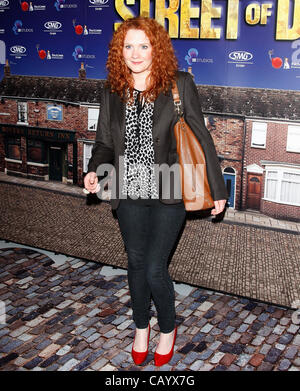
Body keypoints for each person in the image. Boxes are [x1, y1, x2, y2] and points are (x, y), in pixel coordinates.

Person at [84, 16, 227, 367]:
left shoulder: (179, 83)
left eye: (143, 46)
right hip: (129, 191)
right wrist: (93, 169)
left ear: (157, 48)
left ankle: (167, 328)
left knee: (153, 267)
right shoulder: (112, 91)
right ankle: (140, 327)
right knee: (134, 263)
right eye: (127, 46)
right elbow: (104, 143)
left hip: (170, 190)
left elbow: (202, 138)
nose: (135, 53)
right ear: (119, 51)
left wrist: (217, 187)